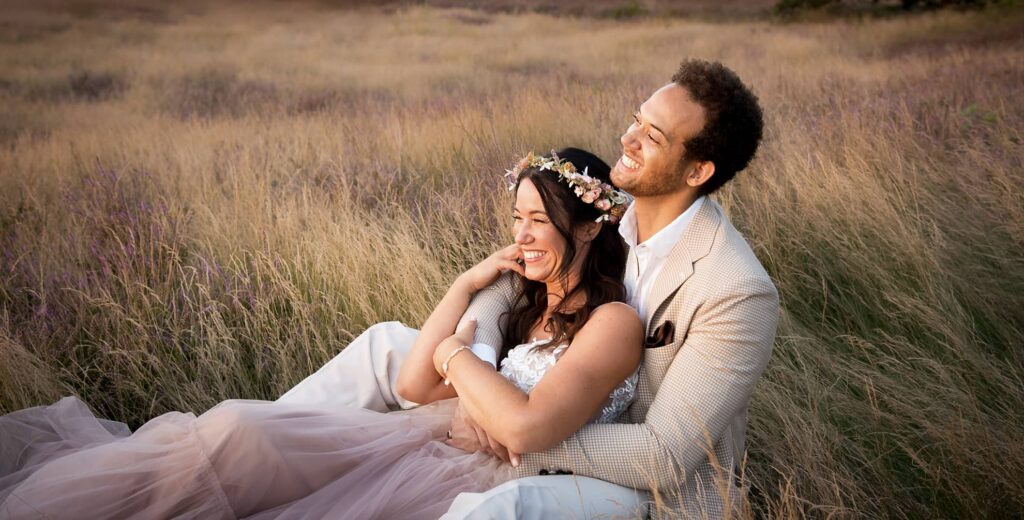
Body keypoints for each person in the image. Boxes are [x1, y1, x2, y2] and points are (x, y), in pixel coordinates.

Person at [0, 149, 648, 518]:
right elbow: (413, 384)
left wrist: (457, 355)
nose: (522, 235)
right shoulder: (521, 302)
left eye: (540, 220)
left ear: (590, 227)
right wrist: (461, 287)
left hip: (476, 478)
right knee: (236, 431)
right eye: (517, 218)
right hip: (421, 437)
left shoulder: (611, 322)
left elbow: (524, 428)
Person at [282, 59, 780, 519]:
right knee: (384, 344)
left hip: (633, 479)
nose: (628, 138)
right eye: (636, 118)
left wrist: (510, 425)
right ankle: (273, 453)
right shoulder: (608, 208)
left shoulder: (734, 291)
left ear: (697, 171)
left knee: (501, 508)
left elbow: (665, 455)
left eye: (652, 135)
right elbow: (513, 279)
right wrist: (477, 369)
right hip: (547, 395)